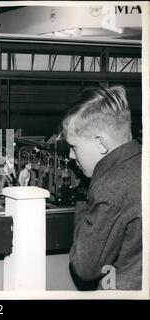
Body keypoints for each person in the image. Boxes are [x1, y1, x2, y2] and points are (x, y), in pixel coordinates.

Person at [61, 85, 142, 290]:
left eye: (74, 147)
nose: (71, 156)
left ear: (100, 144)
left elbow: (84, 267)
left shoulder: (110, 187)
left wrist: (81, 200)